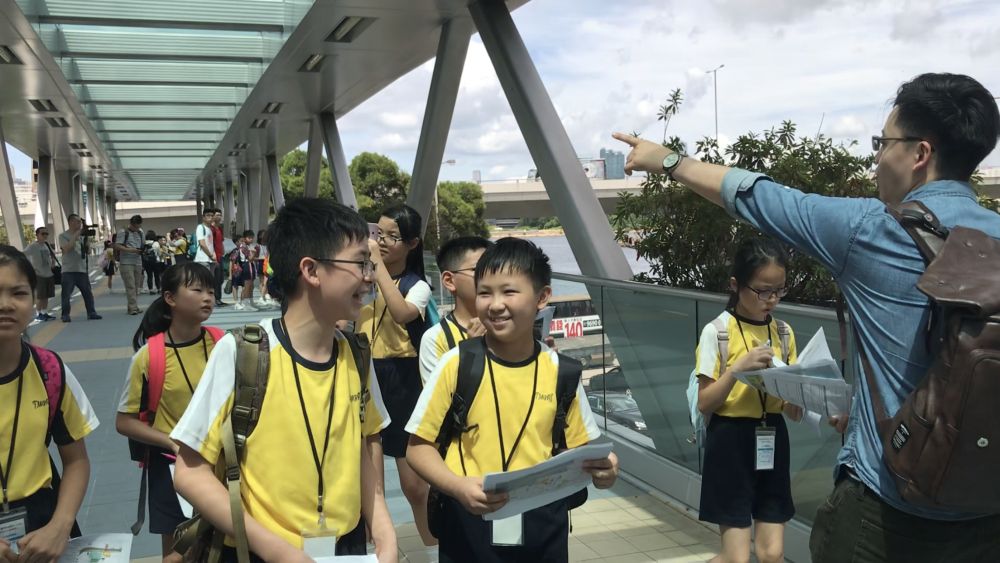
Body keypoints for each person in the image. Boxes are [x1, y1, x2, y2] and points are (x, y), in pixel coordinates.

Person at [614, 72, 1000, 562]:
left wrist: (666, 160)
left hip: (885, 509)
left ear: (920, 154)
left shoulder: (871, 230)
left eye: (884, 143)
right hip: (986, 511)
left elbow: (757, 197)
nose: (878, 157)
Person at [170, 197, 397, 562]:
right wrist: (278, 552)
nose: (370, 275)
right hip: (260, 552)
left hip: (346, 548)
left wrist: (384, 530)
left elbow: (358, 449)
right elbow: (189, 472)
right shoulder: (243, 353)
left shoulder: (356, 354)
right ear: (311, 270)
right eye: (360, 263)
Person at [405, 237, 619, 562]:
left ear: (542, 297)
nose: (495, 304)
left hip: (543, 524)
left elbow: (584, 451)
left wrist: (606, 470)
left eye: (509, 291)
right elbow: (418, 447)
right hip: (468, 519)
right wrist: (458, 487)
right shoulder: (458, 363)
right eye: (484, 292)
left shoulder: (561, 371)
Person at [694, 237, 802, 563]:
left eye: (779, 290)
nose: (771, 299)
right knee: (736, 558)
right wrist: (736, 371)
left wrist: (804, 396)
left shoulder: (784, 333)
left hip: (773, 437)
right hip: (730, 441)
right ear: (735, 285)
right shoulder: (718, 332)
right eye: (762, 291)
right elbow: (705, 403)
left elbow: (792, 411)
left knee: (773, 553)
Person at [0, 245, 99, 561]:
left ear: (33, 300)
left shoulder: (50, 371)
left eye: (18, 293)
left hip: (41, 526)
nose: (5, 305)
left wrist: (60, 525)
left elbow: (76, 461)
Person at [116, 263, 219, 563]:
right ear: (170, 298)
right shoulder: (149, 356)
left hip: (221, 461)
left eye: (211, 291)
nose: (208, 298)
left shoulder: (222, 343)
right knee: (178, 554)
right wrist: (172, 442)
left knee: (221, 543)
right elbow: (124, 422)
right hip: (171, 466)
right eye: (197, 290)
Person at [358, 203, 435, 545]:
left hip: (403, 381)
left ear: (413, 244)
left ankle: (434, 543)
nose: (383, 242)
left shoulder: (417, 285)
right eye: (380, 234)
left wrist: (377, 268)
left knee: (415, 484)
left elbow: (403, 313)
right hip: (365, 373)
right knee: (369, 480)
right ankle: (376, 546)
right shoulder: (360, 276)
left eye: (393, 236)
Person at [418, 236, 493, 383]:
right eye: (479, 269)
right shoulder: (436, 339)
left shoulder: (507, 326)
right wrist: (472, 354)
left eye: (494, 268)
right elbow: (441, 401)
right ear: (449, 281)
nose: (490, 276)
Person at [58, 213, 101, 322]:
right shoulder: (63, 236)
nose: (80, 224)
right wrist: (76, 235)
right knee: (66, 294)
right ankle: (65, 315)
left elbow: (87, 251)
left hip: (81, 269)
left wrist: (86, 242)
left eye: (80, 222)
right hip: (68, 270)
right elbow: (66, 249)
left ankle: (91, 312)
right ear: (71, 222)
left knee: (87, 293)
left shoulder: (82, 236)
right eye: (77, 222)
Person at [114, 214, 146, 316]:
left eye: (139, 226)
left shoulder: (141, 232)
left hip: (138, 261)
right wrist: (130, 250)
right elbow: (117, 246)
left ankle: (133, 306)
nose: (137, 229)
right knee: (130, 286)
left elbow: (143, 244)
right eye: (135, 227)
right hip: (126, 262)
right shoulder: (123, 232)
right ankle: (132, 308)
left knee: (136, 286)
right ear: (131, 224)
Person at [23, 226, 57, 321]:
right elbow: (23, 254)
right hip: (39, 274)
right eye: (43, 234)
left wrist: (53, 262)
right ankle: (38, 314)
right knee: (40, 295)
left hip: (49, 273)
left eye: (46, 233)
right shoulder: (33, 246)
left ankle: (44, 312)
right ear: (37, 235)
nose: (45, 235)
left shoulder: (46, 244)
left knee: (46, 295)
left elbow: (52, 254)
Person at [231, 229, 258, 311]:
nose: (251, 239)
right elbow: (250, 259)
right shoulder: (243, 247)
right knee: (247, 285)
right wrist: (254, 253)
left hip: (250, 265)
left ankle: (249, 302)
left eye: (252, 238)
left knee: (250, 285)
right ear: (244, 238)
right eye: (249, 238)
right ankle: (245, 303)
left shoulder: (249, 246)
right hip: (246, 265)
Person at [211, 210, 228, 307]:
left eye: (220, 215)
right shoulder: (211, 229)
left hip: (220, 256)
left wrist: (223, 251)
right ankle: (215, 299)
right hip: (214, 257)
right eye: (217, 215)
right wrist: (213, 257)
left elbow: (221, 241)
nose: (220, 216)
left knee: (220, 278)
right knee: (215, 279)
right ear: (213, 217)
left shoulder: (219, 228)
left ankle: (218, 298)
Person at [141, 230, 161, 295]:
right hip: (155, 261)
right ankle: (158, 288)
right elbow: (159, 253)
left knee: (149, 276)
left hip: (147, 262)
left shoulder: (144, 243)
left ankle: (151, 290)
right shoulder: (156, 243)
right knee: (157, 276)